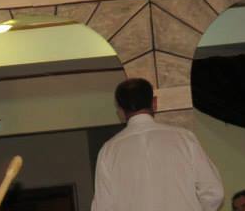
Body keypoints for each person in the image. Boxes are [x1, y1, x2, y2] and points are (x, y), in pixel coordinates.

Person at [91, 78, 223, 211]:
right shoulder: (185, 139)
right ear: (154, 103)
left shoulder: (108, 151)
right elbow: (214, 192)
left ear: (120, 110)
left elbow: (102, 207)